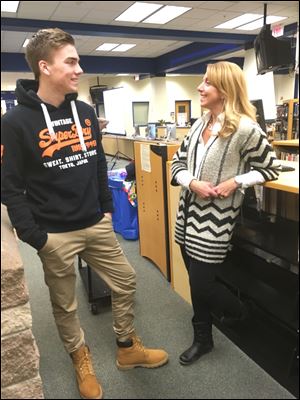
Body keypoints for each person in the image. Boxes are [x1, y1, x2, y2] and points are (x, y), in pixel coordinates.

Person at [1, 28, 168, 400]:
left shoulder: (86, 112)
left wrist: (106, 210)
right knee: (65, 305)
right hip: (53, 234)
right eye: (71, 61)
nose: (79, 68)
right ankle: (81, 358)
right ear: (44, 66)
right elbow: (9, 185)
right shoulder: (14, 123)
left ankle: (127, 347)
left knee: (125, 282)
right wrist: (35, 236)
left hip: (95, 223)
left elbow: (96, 163)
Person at [171, 61, 281, 366]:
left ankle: (237, 314)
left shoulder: (245, 129)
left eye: (207, 83)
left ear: (225, 90)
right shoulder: (198, 124)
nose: (199, 87)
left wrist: (237, 181)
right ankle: (204, 337)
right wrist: (192, 182)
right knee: (195, 281)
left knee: (201, 284)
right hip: (186, 216)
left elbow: (270, 168)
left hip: (215, 222)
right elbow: (176, 164)